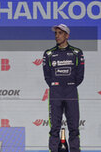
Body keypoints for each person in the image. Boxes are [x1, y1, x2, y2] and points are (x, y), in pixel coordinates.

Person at [42, 24, 84, 152]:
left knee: (74, 128)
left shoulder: (77, 53)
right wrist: (57, 85)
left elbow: (80, 75)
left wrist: (68, 84)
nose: (57, 36)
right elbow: (47, 76)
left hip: (71, 92)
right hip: (55, 93)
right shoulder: (49, 53)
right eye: (56, 33)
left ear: (67, 35)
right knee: (54, 128)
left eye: (60, 33)